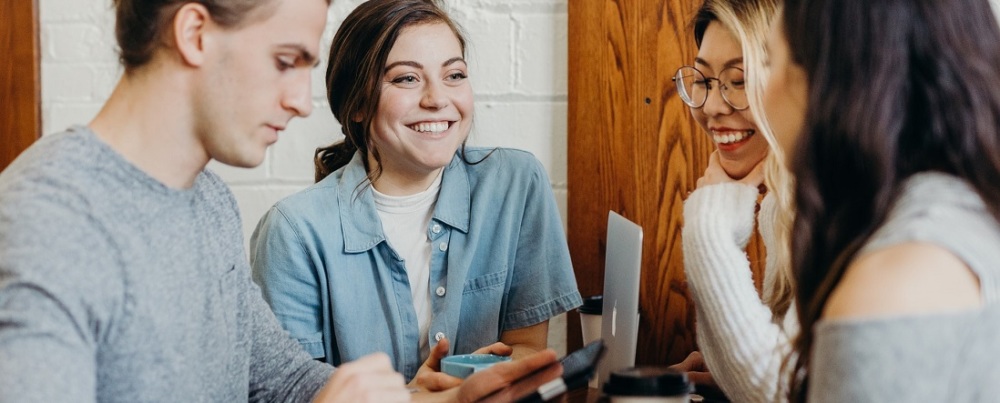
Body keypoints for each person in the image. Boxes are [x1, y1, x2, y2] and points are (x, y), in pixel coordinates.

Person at [0, 0, 561, 401]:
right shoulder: (48, 223)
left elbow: (286, 383)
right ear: (194, 33)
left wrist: (415, 398)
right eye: (285, 60)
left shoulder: (206, 202)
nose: (299, 102)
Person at [249, 0, 582, 384]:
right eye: (407, 79)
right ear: (356, 104)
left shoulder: (516, 184)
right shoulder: (293, 232)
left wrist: (486, 376)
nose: (437, 99)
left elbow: (527, 346)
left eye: (454, 75)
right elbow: (288, 390)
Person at [764, 0, 1000, 401]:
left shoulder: (893, 286)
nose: (760, 92)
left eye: (769, 61)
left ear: (825, 81)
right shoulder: (968, 213)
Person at [669, 0, 798, 401]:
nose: (711, 107)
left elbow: (783, 393)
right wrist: (728, 373)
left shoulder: (838, 202)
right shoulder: (784, 204)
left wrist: (710, 233)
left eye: (738, 81)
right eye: (704, 80)